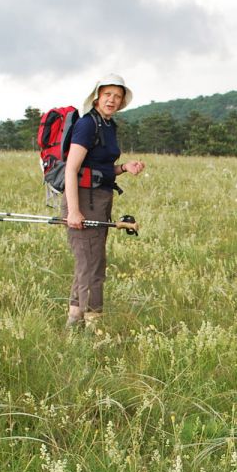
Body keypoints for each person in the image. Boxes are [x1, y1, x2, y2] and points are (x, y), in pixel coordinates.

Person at [63, 73, 145, 328]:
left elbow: (100, 166)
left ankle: (73, 321)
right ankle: (93, 325)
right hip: (83, 201)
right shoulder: (88, 124)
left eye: (117, 96)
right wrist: (74, 211)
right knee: (93, 266)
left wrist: (123, 168)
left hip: (100, 199)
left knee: (88, 261)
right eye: (108, 94)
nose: (112, 100)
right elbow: (71, 169)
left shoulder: (108, 126)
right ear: (97, 96)